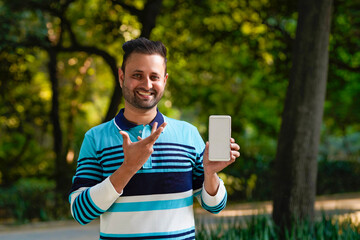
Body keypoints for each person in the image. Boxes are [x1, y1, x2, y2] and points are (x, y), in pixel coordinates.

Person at [69, 37, 240, 239]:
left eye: (154, 77)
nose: (147, 84)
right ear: (122, 77)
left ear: (164, 81)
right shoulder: (95, 138)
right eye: (137, 75)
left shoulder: (188, 134)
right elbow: (80, 213)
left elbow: (214, 206)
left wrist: (210, 174)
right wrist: (128, 168)